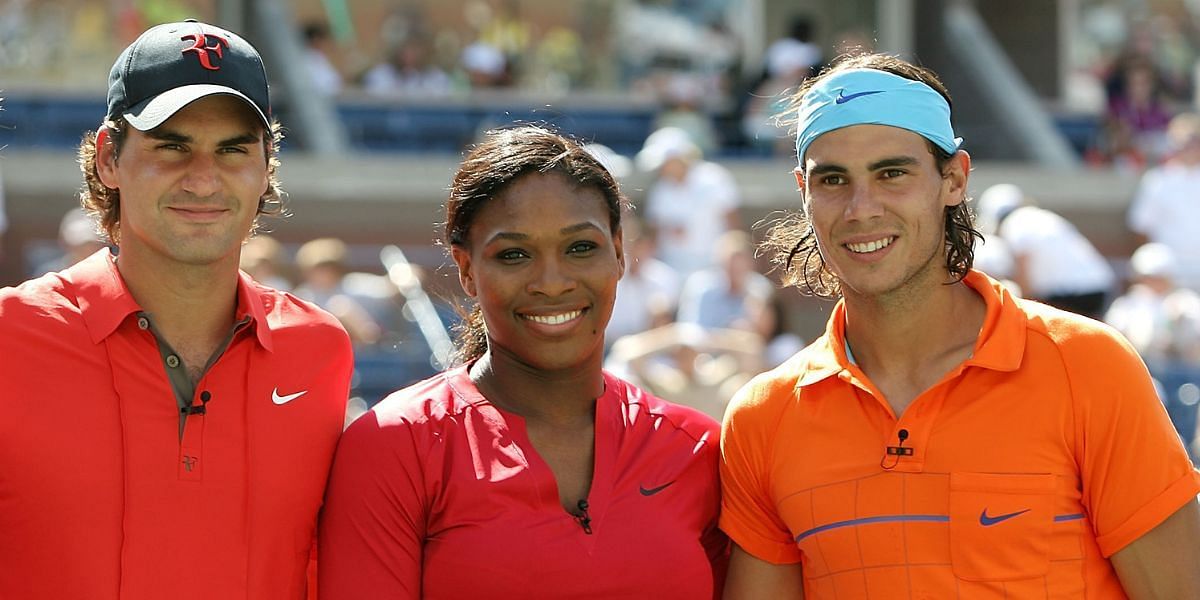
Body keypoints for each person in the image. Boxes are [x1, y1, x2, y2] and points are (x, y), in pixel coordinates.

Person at [719, 53, 1200, 598]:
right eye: (833, 180)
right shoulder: (763, 418)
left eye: (892, 173)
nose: (861, 208)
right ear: (803, 191)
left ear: (954, 178)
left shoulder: (1088, 366)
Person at [0, 20, 354, 600]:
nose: (204, 178)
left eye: (233, 150)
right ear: (109, 158)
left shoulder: (319, 350)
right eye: (172, 146)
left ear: (267, 166)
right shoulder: (10, 333)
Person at [319, 125, 728, 598]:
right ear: (467, 270)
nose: (552, 283)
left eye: (580, 248)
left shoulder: (696, 449)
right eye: (514, 254)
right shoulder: (395, 445)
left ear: (619, 253)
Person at [976, 182, 1115, 320]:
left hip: (1072, 294)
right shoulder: (1041, 217)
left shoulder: (1015, 224)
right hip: (1097, 287)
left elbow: (1024, 277)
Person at [636, 126, 742, 278]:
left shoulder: (714, 179)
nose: (662, 168)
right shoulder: (660, 191)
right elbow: (654, 235)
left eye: (666, 162)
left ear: (678, 158)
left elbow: (733, 227)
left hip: (713, 271)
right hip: (671, 272)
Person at [1128, 111, 1200, 292]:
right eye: (1183, 142)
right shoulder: (1157, 180)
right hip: (1170, 274)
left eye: (1194, 141)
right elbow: (1141, 228)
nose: (1189, 148)